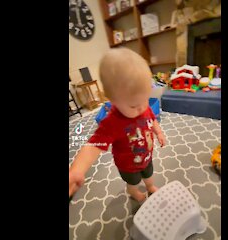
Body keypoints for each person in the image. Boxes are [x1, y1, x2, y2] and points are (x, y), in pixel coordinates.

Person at [69, 48, 166, 202]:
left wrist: (158, 132)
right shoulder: (112, 122)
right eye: (134, 106)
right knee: (133, 183)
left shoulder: (142, 105)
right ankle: (132, 192)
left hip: (147, 157)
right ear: (113, 101)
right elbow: (93, 146)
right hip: (128, 165)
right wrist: (77, 170)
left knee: (149, 175)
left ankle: (149, 187)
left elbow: (152, 119)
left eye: (145, 99)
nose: (142, 108)